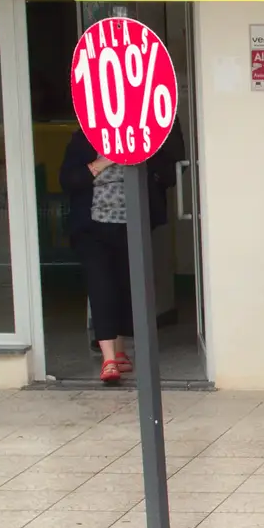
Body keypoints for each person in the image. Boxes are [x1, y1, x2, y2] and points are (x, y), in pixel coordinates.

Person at [59, 131, 180, 384]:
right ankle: (109, 359)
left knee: (126, 287)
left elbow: (167, 175)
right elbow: (69, 180)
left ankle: (121, 350)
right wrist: (102, 162)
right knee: (101, 288)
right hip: (92, 228)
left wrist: (146, 160)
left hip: (132, 225)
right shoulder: (84, 139)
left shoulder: (141, 137)